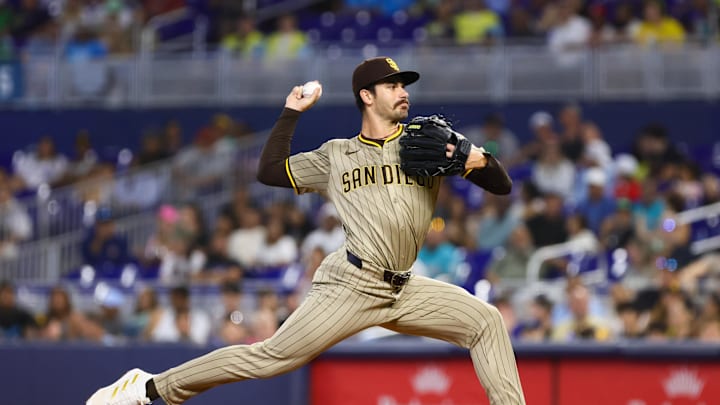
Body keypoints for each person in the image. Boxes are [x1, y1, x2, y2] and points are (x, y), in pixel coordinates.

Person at [86, 56, 526, 405]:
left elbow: (501, 186)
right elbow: (270, 171)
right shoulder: (337, 155)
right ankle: (147, 389)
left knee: (485, 322)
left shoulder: (423, 144)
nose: (403, 92)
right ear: (366, 96)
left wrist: (475, 157)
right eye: (393, 86)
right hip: (351, 284)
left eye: (404, 85)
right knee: (269, 358)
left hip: (405, 287)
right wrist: (290, 113)